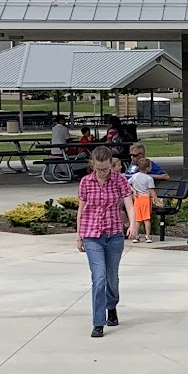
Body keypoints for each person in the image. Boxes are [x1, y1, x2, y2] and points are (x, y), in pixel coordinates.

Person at [76, 145, 137, 338]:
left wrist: (133, 224)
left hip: (113, 235)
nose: (102, 173)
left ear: (111, 165)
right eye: (98, 169)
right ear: (92, 165)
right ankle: (98, 322)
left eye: (105, 169)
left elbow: (129, 203)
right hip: (92, 235)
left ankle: (112, 306)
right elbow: (81, 209)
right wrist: (79, 235)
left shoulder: (119, 180)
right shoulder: (86, 182)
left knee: (111, 277)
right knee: (99, 277)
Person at [125, 142, 166, 232]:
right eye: (131, 155)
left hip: (138, 194)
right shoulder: (132, 164)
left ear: (142, 155)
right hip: (127, 190)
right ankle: (126, 227)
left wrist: (147, 175)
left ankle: (129, 228)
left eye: (135, 155)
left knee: (125, 202)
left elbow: (165, 176)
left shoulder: (148, 164)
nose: (132, 157)